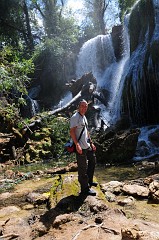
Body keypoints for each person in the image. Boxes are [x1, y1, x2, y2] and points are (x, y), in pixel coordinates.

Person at [70, 99, 97, 196]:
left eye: (86, 106)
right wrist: (77, 144)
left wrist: (91, 143)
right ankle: (85, 189)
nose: (84, 108)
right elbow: (72, 131)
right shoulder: (75, 117)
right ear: (78, 106)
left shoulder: (84, 116)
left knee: (93, 161)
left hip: (87, 145)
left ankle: (89, 181)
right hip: (80, 146)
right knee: (82, 167)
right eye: (82, 106)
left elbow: (86, 132)